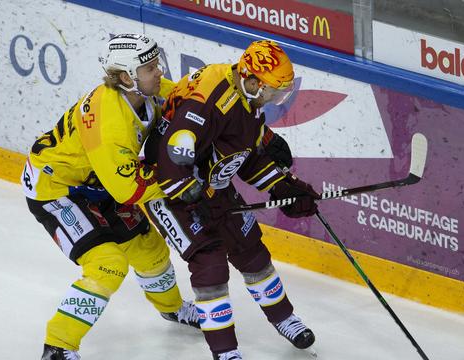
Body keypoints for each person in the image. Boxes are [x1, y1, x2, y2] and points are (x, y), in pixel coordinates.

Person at [20, 34, 200, 360]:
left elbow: (193, 96)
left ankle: (172, 309)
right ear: (125, 77)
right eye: (149, 68)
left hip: (98, 180)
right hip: (57, 190)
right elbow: (128, 190)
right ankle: (57, 347)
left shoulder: (142, 89)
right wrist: (183, 182)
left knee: (149, 249)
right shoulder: (110, 124)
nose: (158, 72)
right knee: (108, 265)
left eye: (155, 64)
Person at [141, 40, 319, 360]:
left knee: (249, 247)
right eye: (273, 90)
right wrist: (190, 194)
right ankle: (226, 352)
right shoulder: (208, 98)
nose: (277, 98)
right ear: (252, 80)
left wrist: (282, 187)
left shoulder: (247, 99)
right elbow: (171, 155)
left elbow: (242, 158)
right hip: (167, 189)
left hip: (208, 184)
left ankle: (284, 318)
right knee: (208, 262)